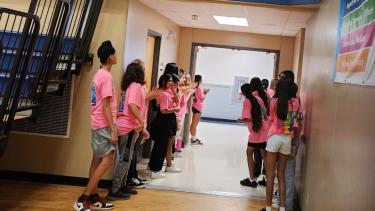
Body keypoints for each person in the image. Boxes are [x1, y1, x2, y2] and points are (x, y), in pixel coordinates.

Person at [73, 41, 117, 211]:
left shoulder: (98, 74)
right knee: (108, 159)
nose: (115, 56)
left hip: (98, 123)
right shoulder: (106, 76)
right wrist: (113, 128)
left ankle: (92, 196)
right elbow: (105, 105)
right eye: (114, 54)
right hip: (103, 125)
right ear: (110, 57)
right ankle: (83, 198)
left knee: (97, 159)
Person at [108, 61, 154, 200]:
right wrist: (142, 122)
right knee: (125, 159)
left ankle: (122, 186)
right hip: (128, 126)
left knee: (126, 158)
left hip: (126, 126)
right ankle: (115, 190)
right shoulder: (135, 86)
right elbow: (132, 105)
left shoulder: (128, 86)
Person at [260, 78, 300, 211]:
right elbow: (294, 119)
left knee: (270, 175)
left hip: (274, 137)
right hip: (287, 139)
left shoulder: (273, 101)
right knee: (281, 175)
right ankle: (282, 208)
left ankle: (268, 207)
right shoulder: (294, 102)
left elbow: (271, 118)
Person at [148, 74, 180, 178]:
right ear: (163, 81)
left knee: (166, 144)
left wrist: (173, 89)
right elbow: (163, 110)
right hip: (164, 122)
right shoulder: (164, 94)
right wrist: (175, 109)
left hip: (168, 121)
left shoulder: (167, 91)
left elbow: (177, 101)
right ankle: (156, 170)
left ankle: (161, 167)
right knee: (160, 146)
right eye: (169, 81)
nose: (172, 82)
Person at [239, 83, 269, 188]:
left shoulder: (247, 101)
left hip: (255, 133)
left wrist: (240, 119)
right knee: (265, 156)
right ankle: (267, 179)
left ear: (243, 93)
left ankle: (252, 179)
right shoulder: (259, 99)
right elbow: (265, 115)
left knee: (249, 153)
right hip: (265, 130)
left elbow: (246, 118)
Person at [189, 75, 209, 145]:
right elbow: (202, 98)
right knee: (195, 123)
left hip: (195, 106)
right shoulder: (199, 89)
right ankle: (193, 139)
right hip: (198, 107)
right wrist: (205, 93)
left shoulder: (195, 88)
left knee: (194, 123)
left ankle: (193, 137)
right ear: (199, 80)